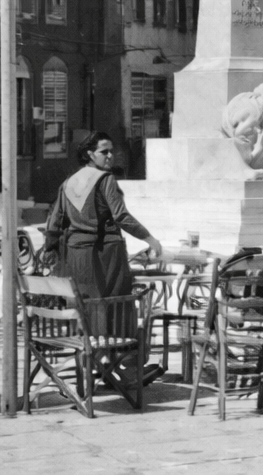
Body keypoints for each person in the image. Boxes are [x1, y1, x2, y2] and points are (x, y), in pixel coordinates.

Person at [43, 135, 165, 386]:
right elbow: (121, 216)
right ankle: (125, 370)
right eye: (104, 152)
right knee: (118, 308)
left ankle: (92, 369)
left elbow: (54, 223)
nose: (110, 156)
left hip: (76, 258)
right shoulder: (105, 179)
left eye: (111, 151)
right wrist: (150, 239)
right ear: (90, 154)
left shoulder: (68, 183)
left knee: (88, 310)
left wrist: (49, 249)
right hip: (105, 255)